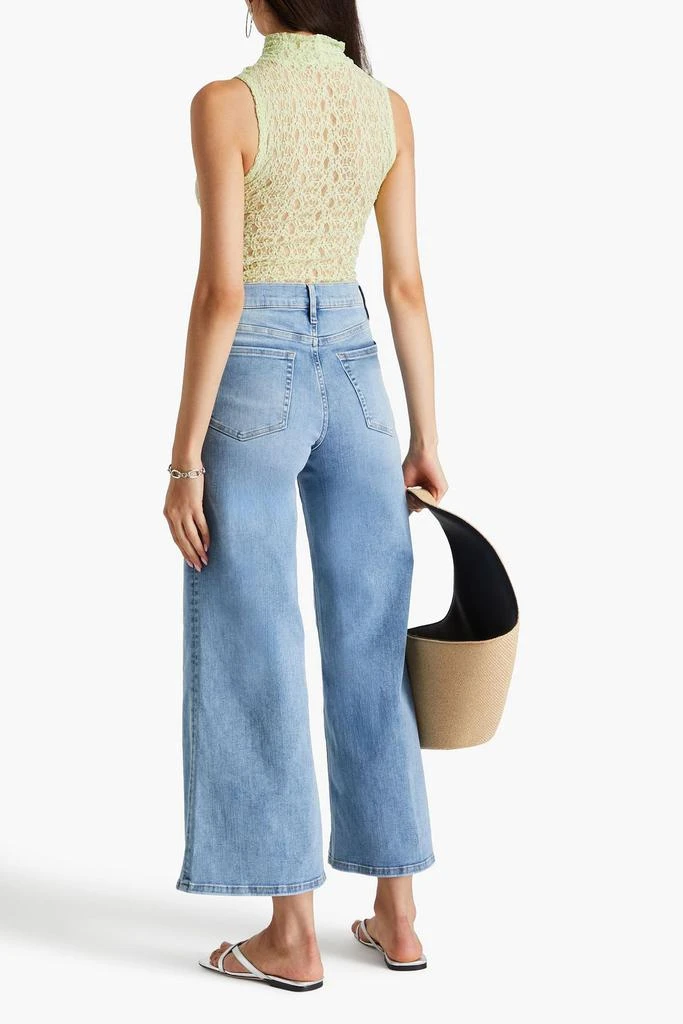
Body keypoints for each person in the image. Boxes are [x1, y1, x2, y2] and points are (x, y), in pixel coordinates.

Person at [163, 0, 448, 992]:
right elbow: (405, 285)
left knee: (255, 639)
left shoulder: (226, 103)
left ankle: (291, 934)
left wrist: (182, 462)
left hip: (255, 371)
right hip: (361, 375)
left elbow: (222, 293)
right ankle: (397, 915)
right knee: (371, 640)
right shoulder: (386, 108)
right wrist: (425, 436)